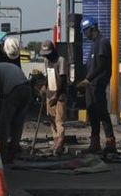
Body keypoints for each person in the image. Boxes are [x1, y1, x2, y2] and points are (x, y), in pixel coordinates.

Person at [75, 17, 116, 154]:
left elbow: (101, 66)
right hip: (91, 85)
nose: (85, 35)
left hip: (97, 85)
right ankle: (95, 143)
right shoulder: (94, 44)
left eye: (85, 32)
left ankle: (110, 142)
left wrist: (88, 79)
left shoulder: (102, 42)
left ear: (91, 29)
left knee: (102, 113)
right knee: (93, 114)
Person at [0, 53, 31, 164]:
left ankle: (1, 155)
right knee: (17, 124)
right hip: (27, 89)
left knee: (4, 123)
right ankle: (12, 154)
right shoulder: (5, 67)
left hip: (15, 90)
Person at [39, 40, 67, 155]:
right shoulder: (46, 61)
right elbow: (48, 75)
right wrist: (44, 87)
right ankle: (55, 139)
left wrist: (57, 95)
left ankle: (60, 141)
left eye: (48, 54)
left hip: (60, 95)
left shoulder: (61, 60)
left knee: (59, 120)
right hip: (50, 94)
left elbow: (63, 79)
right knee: (51, 118)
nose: (47, 56)